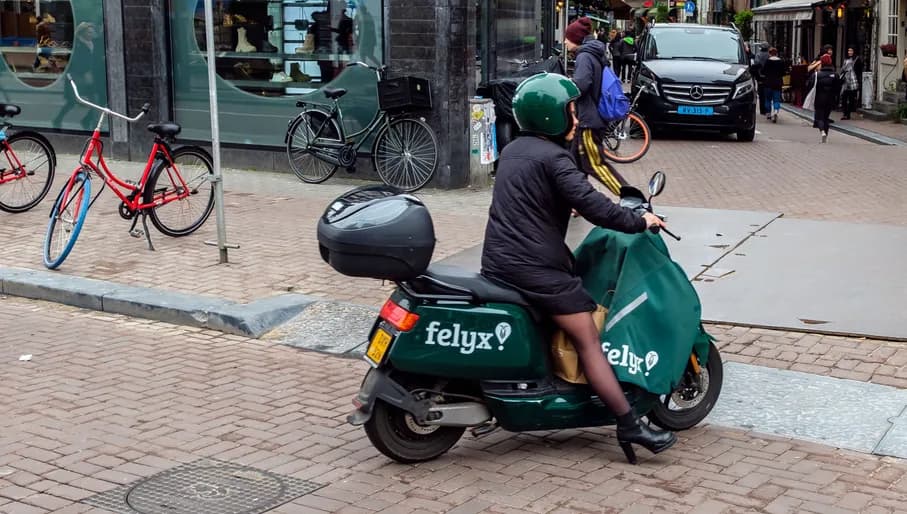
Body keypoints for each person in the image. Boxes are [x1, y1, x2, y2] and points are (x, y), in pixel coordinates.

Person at [480, 72, 675, 462]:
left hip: (500, 259)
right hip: (535, 268)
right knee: (587, 337)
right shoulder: (554, 159)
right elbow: (596, 207)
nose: (576, 117)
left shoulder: (515, 150)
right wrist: (641, 221)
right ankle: (628, 423)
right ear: (552, 116)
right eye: (571, 110)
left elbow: (529, 197)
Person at [563, 17, 629, 196]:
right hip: (589, 118)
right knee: (574, 164)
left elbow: (582, 85)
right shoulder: (595, 53)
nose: (565, 41)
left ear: (576, 38)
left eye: (567, 38)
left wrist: (567, 87)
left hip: (588, 120)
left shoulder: (584, 56)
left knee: (595, 164)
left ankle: (632, 198)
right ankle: (576, 201)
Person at [807, 54, 841, 143]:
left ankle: (822, 131)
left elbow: (810, 86)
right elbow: (838, 88)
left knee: (819, 117)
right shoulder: (835, 75)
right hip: (830, 99)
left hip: (819, 98)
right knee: (826, 117)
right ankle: (825, 134)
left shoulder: (816, 75)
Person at [761, 47, 785, 122]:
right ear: (776, 53)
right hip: (777, 83)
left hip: (768, 83)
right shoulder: (780, 62)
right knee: (776, 99)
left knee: (767, 99)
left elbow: (763, 71)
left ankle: (768, 113)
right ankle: (776, 111)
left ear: (770, 53)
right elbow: (783, 72)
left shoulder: (767, 61)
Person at [839, 47, 862, 120]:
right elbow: (842, 69)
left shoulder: (857, 59)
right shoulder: (845, 59)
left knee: (851, 98)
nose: (849, 52)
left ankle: (848, 113)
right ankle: (845, 113)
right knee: (844, 97)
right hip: (846, 80)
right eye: (848, 50)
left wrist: (859, 81)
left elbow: (859, 71)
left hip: (853, 81)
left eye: (851, 50)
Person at [753, 44, 770, 116]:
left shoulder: (758, 55)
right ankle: (767, 109)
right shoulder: (769, 56)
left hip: (760, 76)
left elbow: (756, 64)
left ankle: (762, 110)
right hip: (768, 76)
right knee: (767, 93)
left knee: (761, 93)